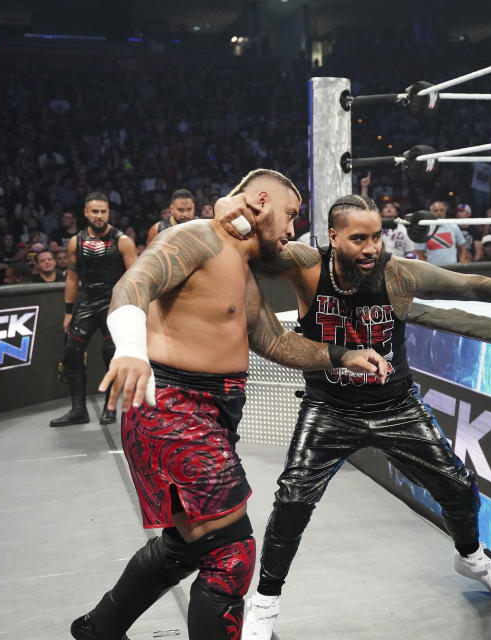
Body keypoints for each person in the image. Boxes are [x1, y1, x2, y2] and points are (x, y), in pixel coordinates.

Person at [229, 195, 491, 639]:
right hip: (329, 406)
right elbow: (245, 250)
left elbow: (471, 283)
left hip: (395, 406)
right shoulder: (306, 265)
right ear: (333, 236)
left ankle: (471, 557)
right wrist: (231, 207)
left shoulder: (399, 274)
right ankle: (264, 601)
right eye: (358, 238)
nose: (370, 248)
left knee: (458, 488)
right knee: (292, 501)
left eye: (376, 236)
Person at [69, 171, 387, 640]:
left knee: (187, 545)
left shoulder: (241, 265)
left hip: (209, 414)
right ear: (260, 200)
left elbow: (275, 343)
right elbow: (133, 284)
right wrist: (131, 347)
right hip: (174, 408)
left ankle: (99, 629)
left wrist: (342, 355)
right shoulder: (195, 237)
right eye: (290, 215)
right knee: (230, 555)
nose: (291, 231)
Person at [50, 192, 138, 428]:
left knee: (111, 352)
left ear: (108, 213)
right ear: (86, 213)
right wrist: (69, 311)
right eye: (95, 212)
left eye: (103, 211)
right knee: (72, 351)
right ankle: (78, 410)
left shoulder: (122, 241)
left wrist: (132, 309)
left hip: (114, 301)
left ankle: (110, 407)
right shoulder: (75, 241)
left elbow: (135, 277)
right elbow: (72, 277)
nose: (99, 216)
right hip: (87, 300)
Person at [414, 200, 471, 265]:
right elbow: (420, 255)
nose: (439, 213)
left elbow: (462, 249)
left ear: (445, 211)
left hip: (452, 269)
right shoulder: (424, 230)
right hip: (433, 270)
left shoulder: (453, 226)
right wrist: (428, 270)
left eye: (442, 210)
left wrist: (461, 263)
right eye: (436, 210)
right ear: (431, 212)